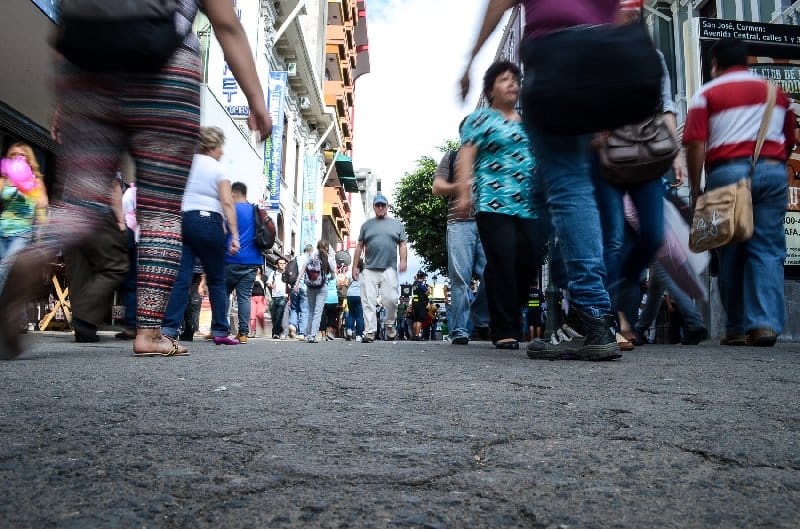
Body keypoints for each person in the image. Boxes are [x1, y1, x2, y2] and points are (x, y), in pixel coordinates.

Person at [0, 0, 271, 359]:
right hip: (166, 70)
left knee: (81, 204)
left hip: (87, 67)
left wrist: (65, 97)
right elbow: (226, 23)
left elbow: (67, 18)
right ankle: (149, 333)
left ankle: (32, 258)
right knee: (160, 212)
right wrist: (256, 99)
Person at [461, 0, 621, 361]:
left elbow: (500, 3)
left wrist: (470, 58)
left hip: (555, 57)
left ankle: (591, 315)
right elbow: (622, 13)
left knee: (568, 186)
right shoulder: (485, 123)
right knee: (575, 186)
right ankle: (594, 314)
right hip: (596, 58)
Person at [684, 37, 796, 347]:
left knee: (728, 249)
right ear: (746, 62)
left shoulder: (707, 93)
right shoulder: (777, 94)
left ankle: (734, 326)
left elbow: (695, 143)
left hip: (727, 172)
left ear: (715, 63)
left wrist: (696, 188)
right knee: (768, 247)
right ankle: (763, 324)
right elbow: (790, 139)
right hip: (772, 170)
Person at [456, 60, 544, 350]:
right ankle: (505, 328)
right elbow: (468, 154)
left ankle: (497, 294)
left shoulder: (530, 121)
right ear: (491, 88)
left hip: (530, 205)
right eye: (505, 79)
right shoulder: (480, 119)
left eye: (516, 80)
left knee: (530, 261)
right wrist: (464, 192)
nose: (513, 84)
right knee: (504, 260)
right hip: (494, 203)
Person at [161, 127, 241, 346]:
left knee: (182, 277)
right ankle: (220, 331)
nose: (222, 152)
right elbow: (227, 202)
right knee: (216, 279)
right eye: (221, 147)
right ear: (214, 146)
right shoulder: (218, 169)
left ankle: (169, 328)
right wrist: (234, 235)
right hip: (210, 222)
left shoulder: (184, 164)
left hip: (185, 220)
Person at [432, 146, 489, 345]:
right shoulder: (452, 156)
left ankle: (482, 320)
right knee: (459, 280)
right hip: (459, 223)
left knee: (495, 274)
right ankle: (460, 330)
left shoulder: (493, 151)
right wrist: (463, 185)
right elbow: (437, 187)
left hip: (490, 222)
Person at [65, 176, 129, 342]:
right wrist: (121, 221)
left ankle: (85, 329)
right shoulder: (105, 151)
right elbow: (114, 185)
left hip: (69, 216)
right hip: (98, 215)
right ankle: (84, 319)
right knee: (116, 266)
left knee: (79, 272)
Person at [0, 142, 49, 334]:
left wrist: (25, 183)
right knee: (11, 278)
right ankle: (18, 320)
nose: (17, 158)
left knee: (3, 270)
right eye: (13, 155)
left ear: (28, 159)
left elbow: (42, 203)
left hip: (22, 233)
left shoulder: (35, 180)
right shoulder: (3, 179)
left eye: (21, 155)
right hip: (2, 231)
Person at [352, 194, 408, 343]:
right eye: (378, 205)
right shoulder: (366, 225)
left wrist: (403, 261)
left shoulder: (397, 225)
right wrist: (355, 266)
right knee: (368, 301)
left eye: (383, 205)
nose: (381, 207)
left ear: (387, 207)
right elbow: (359, 246)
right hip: (369, 269)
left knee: (391, 300)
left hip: (389, 269)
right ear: (374, 207)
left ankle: (389, 325)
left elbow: (402, 244)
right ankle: (369, 332)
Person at [224, 181, 263, 344]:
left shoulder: (230, 210)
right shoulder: (256, 211)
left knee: (223, 293)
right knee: (244, 297)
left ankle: (220, 329)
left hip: (230, 258)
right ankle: (244, 333)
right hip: (252, 260)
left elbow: (223, 232)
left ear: (233, 194)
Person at [295, 240, 336, 343]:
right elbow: (333, 274)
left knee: (311, 311)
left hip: (310, 286)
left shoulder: (311, 256)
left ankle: (308, 334)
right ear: (327, 248)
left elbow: (303, 270)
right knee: (318, 312)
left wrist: (297, 283)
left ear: (317, 246)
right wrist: (330, 278)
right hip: (322, 287)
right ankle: (313, 335)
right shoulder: (328, 258)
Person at [287, 244, 312, 340]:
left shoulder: (295, 258)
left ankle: (292, 325)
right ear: (310, 251)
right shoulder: (310, 260)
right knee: (304, 310)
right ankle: (302, 333)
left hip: (294, 287)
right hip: (305, 288)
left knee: (294, 308)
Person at [267, 256, 289, 339]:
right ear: (277, 265)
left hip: (284, 296)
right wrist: (271, 285)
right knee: (274, 315)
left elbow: (291, 283)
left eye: (284, 263)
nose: (282, 265)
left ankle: (275, 333)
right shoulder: (273, 273)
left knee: (279, 314)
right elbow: (268, 283)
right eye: (280, 263)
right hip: (274, 296)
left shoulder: (287, 274)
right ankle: (278, 330)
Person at [345, 260, 364, 340]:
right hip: (360, 295)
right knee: (359, 316)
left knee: (351, 314)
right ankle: (358, 335)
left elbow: (346, 283)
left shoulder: (351, 272)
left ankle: (349, 330)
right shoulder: (365, 273)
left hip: (350, 295)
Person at [410, 271, 430, 340]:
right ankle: (417, 335)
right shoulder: (420, 284)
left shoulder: (414, 284)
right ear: (423, 277)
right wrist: (428, 290)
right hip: (421, 304)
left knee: (415, 320)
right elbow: (427, 293)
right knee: (419, 320)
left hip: (415, 304)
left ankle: (414, 335)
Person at [250, 266, 268, 337]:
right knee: (252, 315)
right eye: (255, 269)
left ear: (260, 269)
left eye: (258, 269)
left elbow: (263, 287)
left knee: (260, 314)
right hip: (252, 297)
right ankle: (253, 331)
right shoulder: (251, 276)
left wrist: (258, 280)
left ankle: (263, 329)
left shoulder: (264, 277)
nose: (257, 270)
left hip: (261, 297)